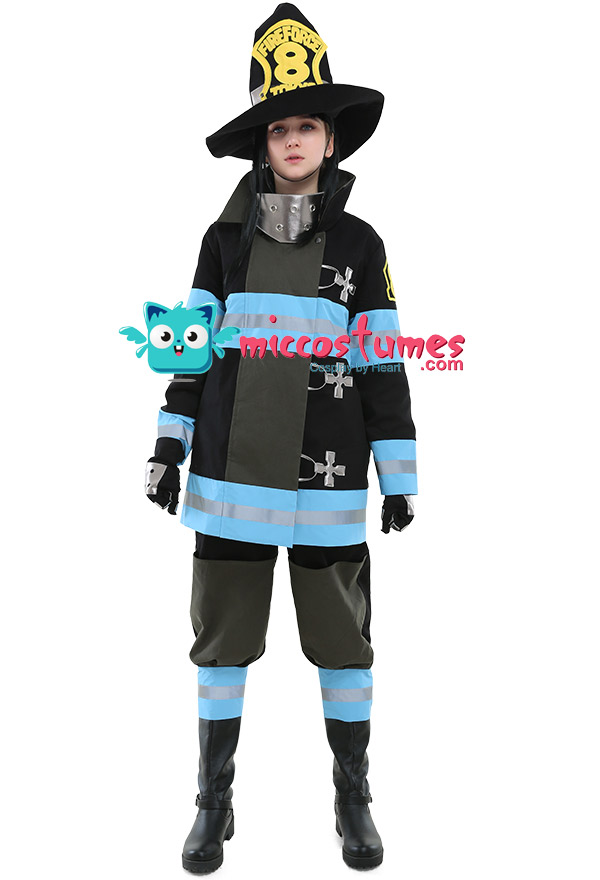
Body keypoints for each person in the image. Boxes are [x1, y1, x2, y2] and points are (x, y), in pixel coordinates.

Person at [145, 4, 417, 873]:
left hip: (328, 488)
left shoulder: (363, 245)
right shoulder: (222, 240)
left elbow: (382, 364)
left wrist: (399, 473)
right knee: (221, 643)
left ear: (331, 141)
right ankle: (213, 799)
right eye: (278, 127)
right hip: (229, 475)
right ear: (261, 144)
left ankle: (353, 794)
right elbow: (187, 352)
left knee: (343, 643)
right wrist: (168, 446)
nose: (293, 139)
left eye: (307, 126)